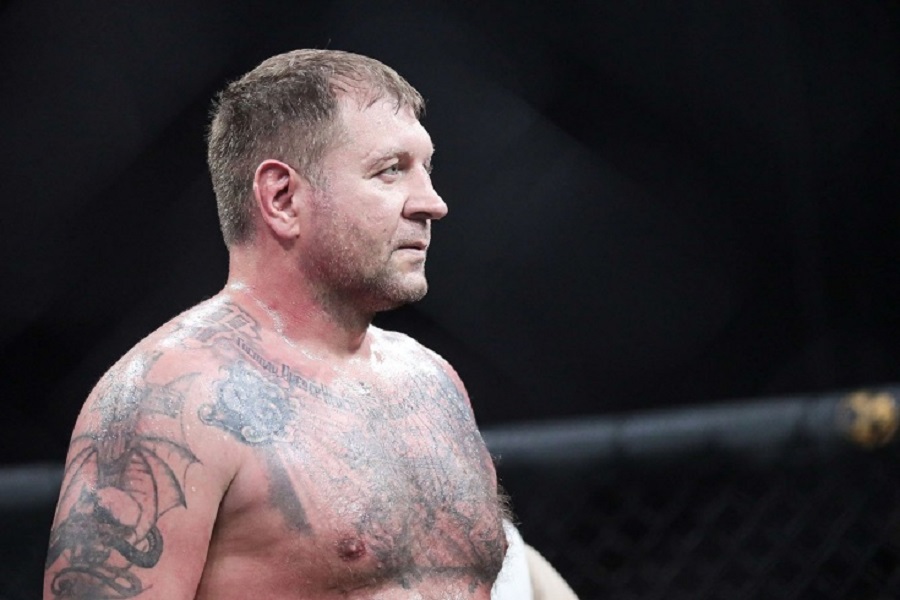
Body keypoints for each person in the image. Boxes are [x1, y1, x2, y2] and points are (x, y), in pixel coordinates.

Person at [43, 49, 577, 600]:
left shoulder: (432, 382)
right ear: (283, 198)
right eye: (391, 170)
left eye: (427, 168)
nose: (432, 203)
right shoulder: (171, 400)